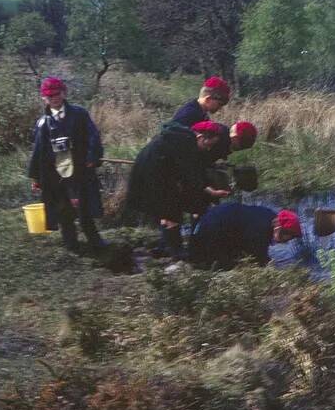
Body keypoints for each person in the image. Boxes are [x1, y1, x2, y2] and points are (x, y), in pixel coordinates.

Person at [125, 120, 230, 258]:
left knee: (167, 209)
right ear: (200, 137)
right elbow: (190, 176)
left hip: (157, 170)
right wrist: (210, 192)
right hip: (152, 172)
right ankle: (176, 251)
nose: (209, 149)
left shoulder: (183, 139)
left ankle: (168, 248)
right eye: (208, 145)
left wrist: (209, 190)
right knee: (170, 211)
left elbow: (192, 174)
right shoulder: (186, 144)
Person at [28, 76, 106, 253]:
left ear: (63, 93)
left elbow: (94, 137)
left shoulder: (79, 114)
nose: (53, 98)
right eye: (49, 96)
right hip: (56, 175)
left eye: (56, 94)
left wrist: (93, 157)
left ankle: (96, 243)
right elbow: (38, 153)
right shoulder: (42, 123)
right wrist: (36, 177)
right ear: (43, 98)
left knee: (85, 209)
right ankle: (71, 246)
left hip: (81, 170)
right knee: (63, 211)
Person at [187, 203, 302, 269]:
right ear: (280, 228)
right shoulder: (260, 230)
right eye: (287, 236)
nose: (286, 241)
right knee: (221, 266)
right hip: (207, 232)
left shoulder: (270, 216)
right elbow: (260, 260)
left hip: (210, 222)